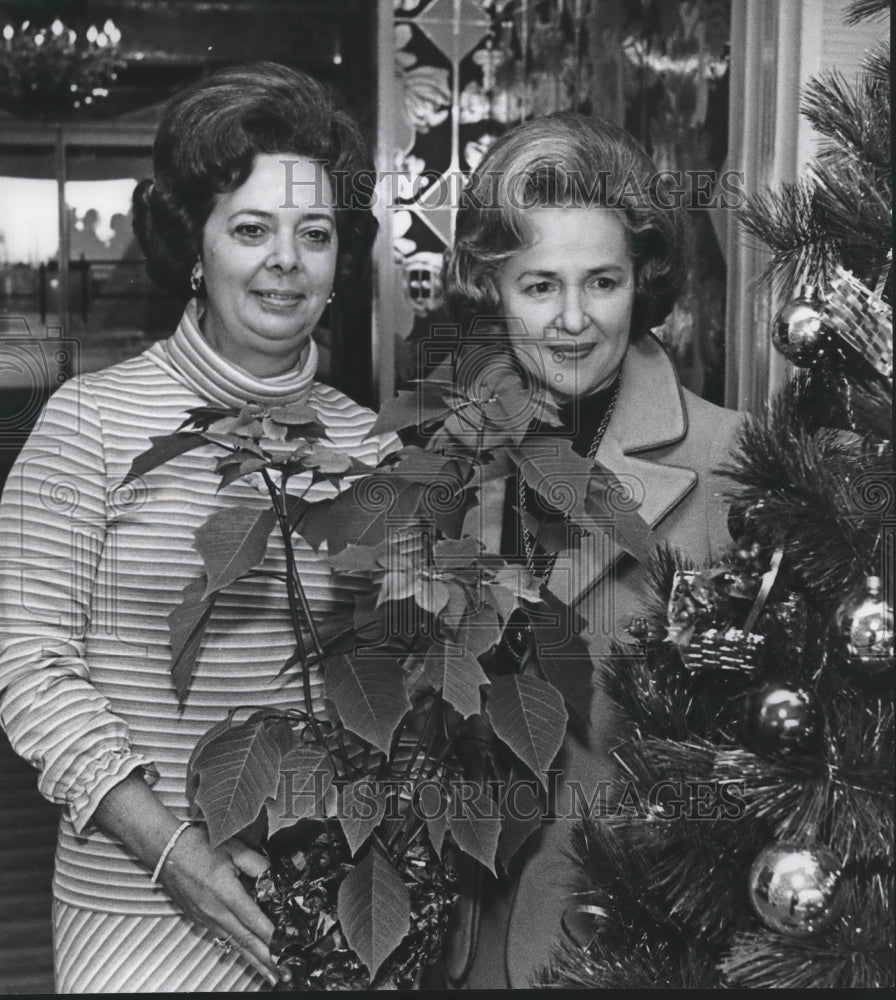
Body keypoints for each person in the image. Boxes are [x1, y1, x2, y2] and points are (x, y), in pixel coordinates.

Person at [0, 62, 396, 992]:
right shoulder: (89, 424)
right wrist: (178, 855)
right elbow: (29, 666)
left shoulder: (369, 446)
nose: (285, 262)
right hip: (134, 908)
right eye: (251, 229)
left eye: (315, 234)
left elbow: (400, 683)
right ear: (196, 245)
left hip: (326, 906)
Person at [438, 111, 743, 988]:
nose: (572, 320)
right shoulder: (448, 455)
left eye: (602, 281)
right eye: (538, 286)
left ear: (642, 281)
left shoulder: (733, 463)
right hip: (475, 946)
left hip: (641, 951)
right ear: (491, 289)